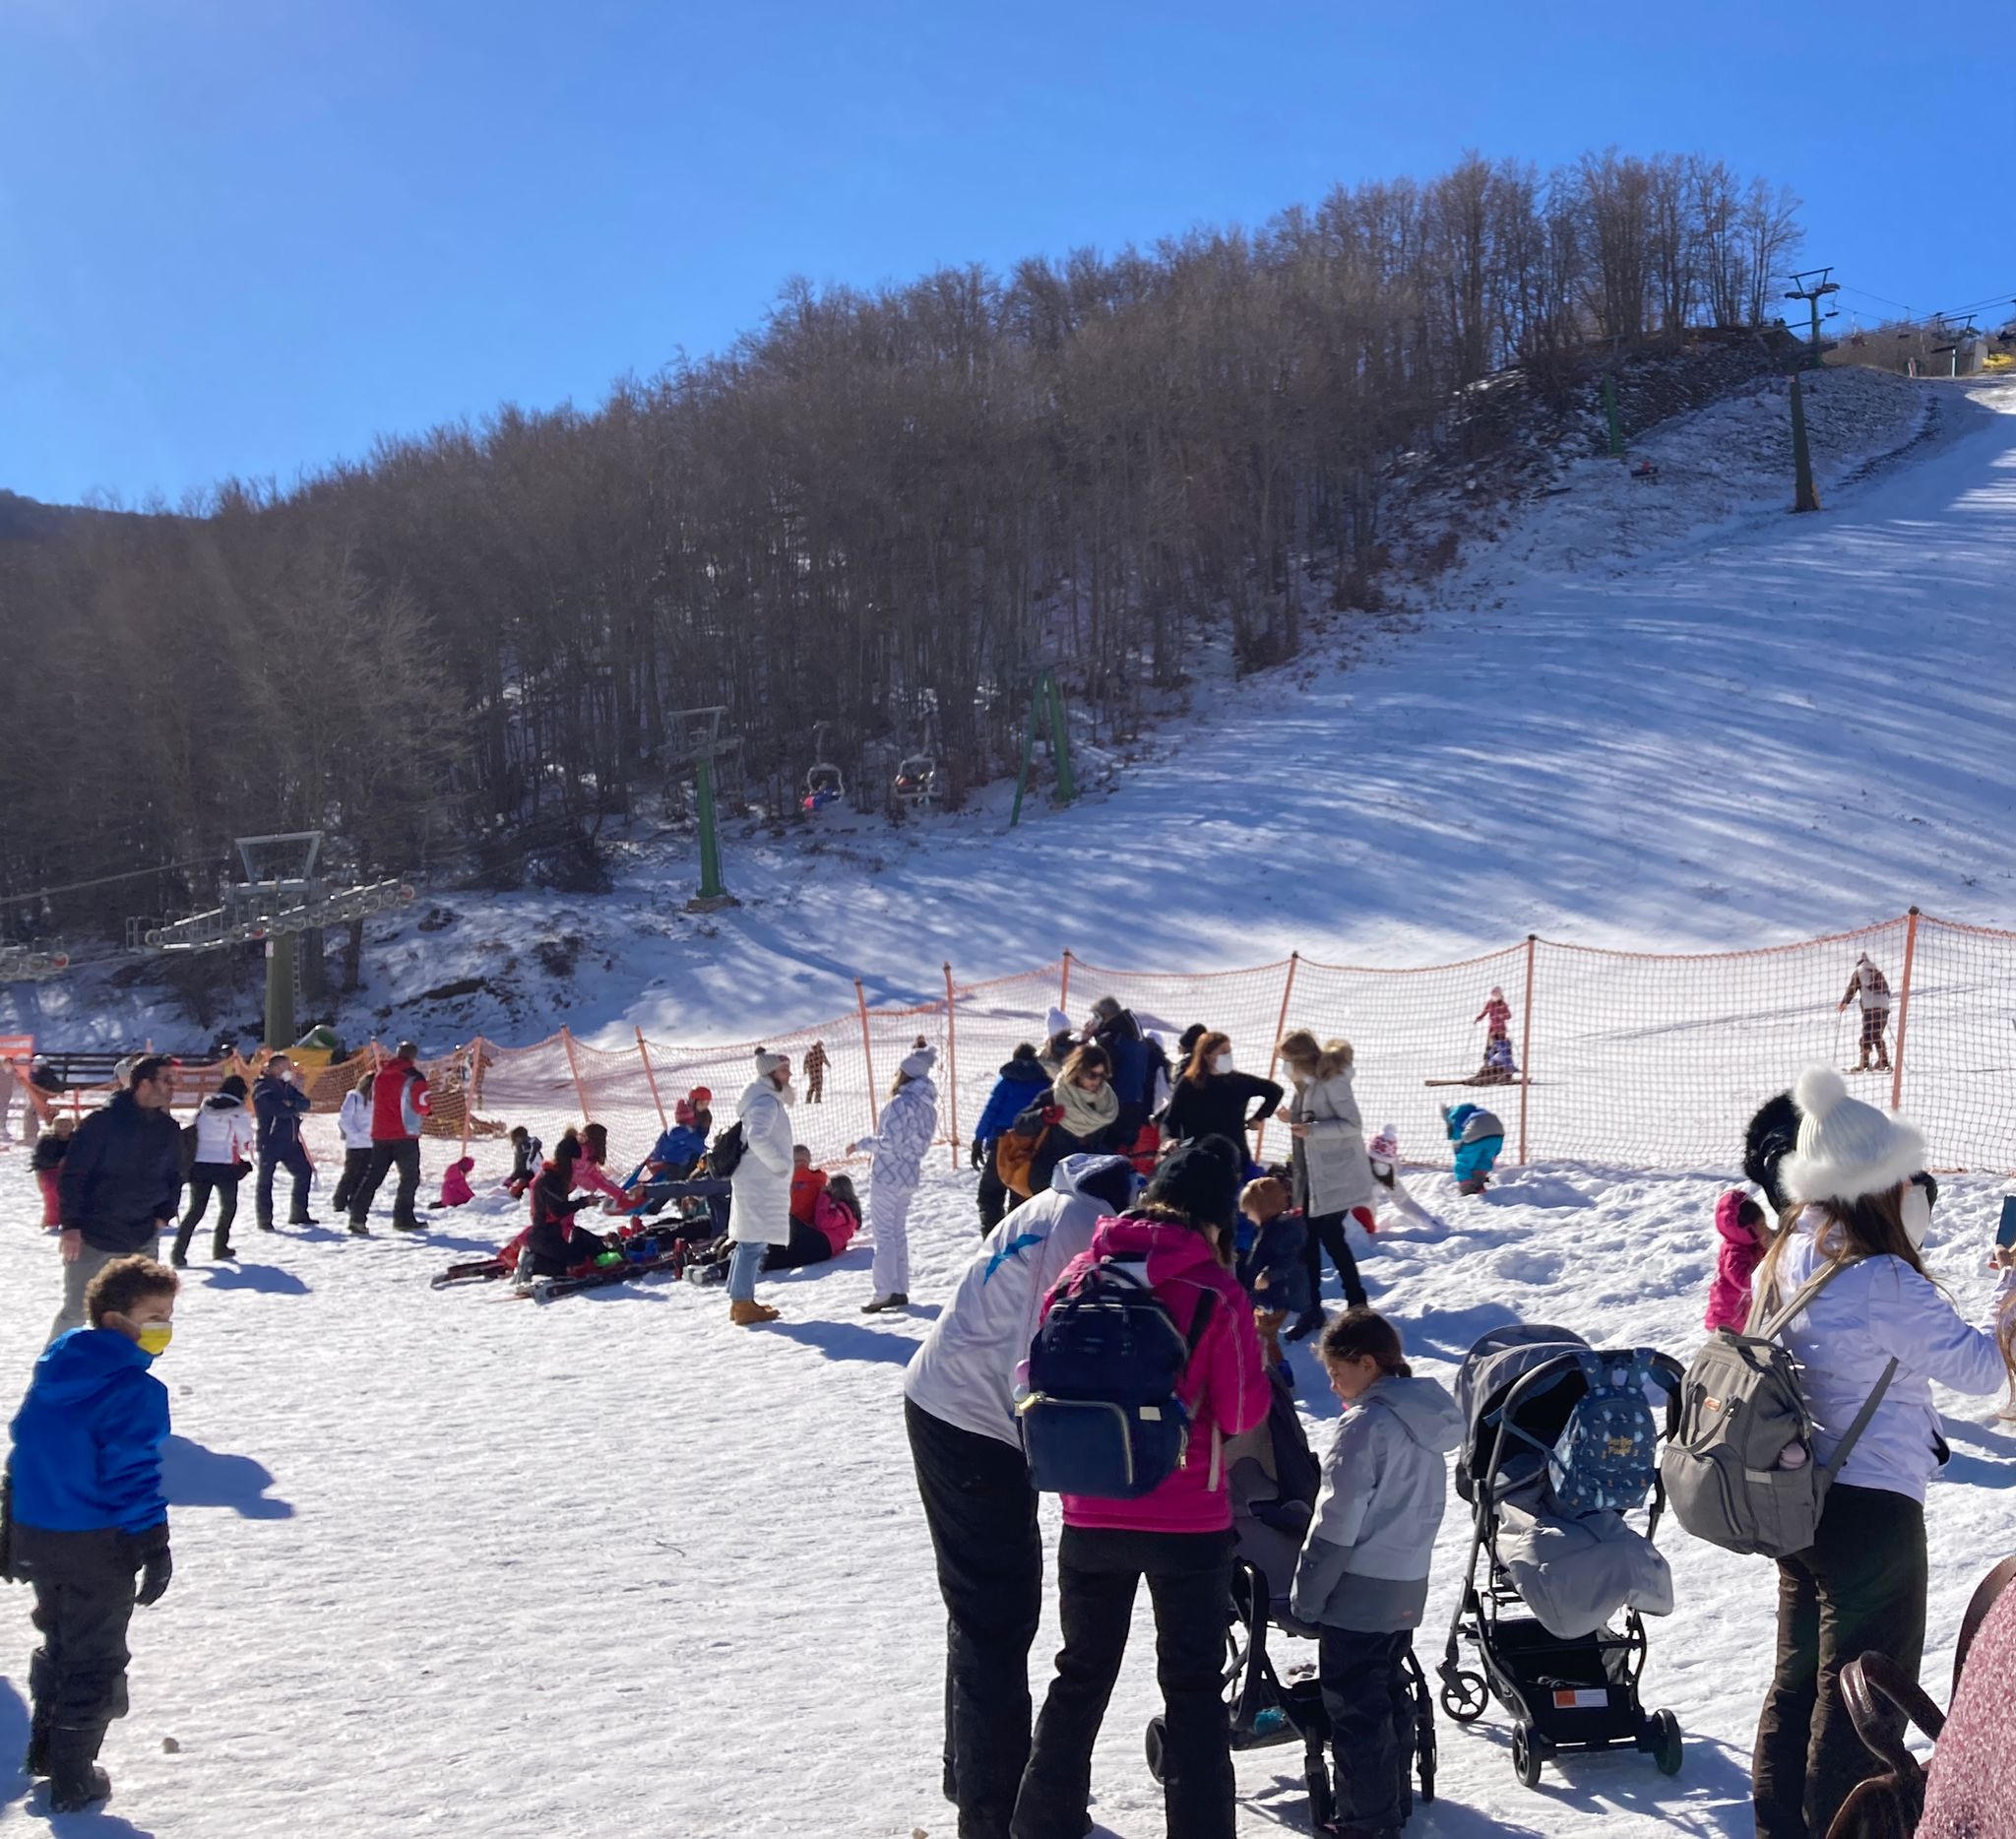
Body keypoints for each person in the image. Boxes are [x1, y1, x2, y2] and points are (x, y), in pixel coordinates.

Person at [1747, 1067, 2016, 1839]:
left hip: (1798, 1500)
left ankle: (1778, 1825)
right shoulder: (1880, 1278)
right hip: (1874, 1512)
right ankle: (1846, 1825)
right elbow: (1986, 1369)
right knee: (1860, 1687)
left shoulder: (1786, 1257)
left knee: (1797, 1678)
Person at [1012, 1135, 1268, 1839]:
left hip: (1090, 1511)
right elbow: (1244, 1412)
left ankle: (1042, 1823)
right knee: (1191, 1689)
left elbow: (1033, 1375)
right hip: (1187, 1521)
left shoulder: (1081, 1270)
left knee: (1080, 1673)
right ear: (1215, 1216)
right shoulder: (1214, 1289)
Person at [903, 1153, 1138, 1839]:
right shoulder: (1080, 1224)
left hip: (953, 1405)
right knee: (997, 1615)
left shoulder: (1047, 1209)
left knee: (984, 1611)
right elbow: (1042, 1351)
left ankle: (972, 1774)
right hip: (970, 1421)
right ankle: (991, 1809)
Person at [3, 1253, 179, 1812]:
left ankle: (47, 1750)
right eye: (153, 1315)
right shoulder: (135, 1391)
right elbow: (130, 1471)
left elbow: (27, 1446)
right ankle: (74, 1778)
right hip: (94, 1541)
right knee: (96, 1657)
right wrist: (152, 1538)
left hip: (39, 1534)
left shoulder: (57, 1368)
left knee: (59, 1639)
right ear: (112, 1320)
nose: (164, 1328)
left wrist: (11, 1518)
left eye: (169, 1315)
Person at [1292, 1309, 1462, 1839]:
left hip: (1359, 1583)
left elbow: (1338, 1520)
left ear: (1367, 1364)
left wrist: (1308, 1594)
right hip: (1408, 1579)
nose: (1332, 1383)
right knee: (1388, 1689)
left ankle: (1366, 1820)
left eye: (1338, 1371)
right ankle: (1394, 1802)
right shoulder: (1424, 1421)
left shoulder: (1366, 1423)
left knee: (1354, 1705)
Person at [50, 1056, 181, 1345]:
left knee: (142, 1315)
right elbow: (73, 1176)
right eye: (167, 1080)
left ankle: (127, 1375)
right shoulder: (101, 1123)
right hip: (94, 1235)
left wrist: (165, 1212)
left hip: (143, 1236)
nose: (174, 1087)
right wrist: (70, 1225)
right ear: (144, 1083)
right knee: (76, 1312)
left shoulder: (169, 1129)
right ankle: (54, 1375)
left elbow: (174, 1174)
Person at [1277, 1030, 1373, 1339]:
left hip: (1333, 1178)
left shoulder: (1332, 1081)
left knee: (1332, 1239)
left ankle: (1356, 1304)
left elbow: (1352, 1124)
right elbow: (1309, 1117)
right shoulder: (1302, 1085)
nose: (1285, 1067)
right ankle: (1312, 1307)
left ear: (1300, 1059)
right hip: (1310, 1177)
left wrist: (1313, 1130)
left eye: (1287, 1061)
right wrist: (1291, 1117)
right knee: (1308, 1244)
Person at [853, 1043, 940, 1312]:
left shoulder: (900, 1104)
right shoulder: (929, 1107)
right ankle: (900, 1288)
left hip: (887, 1175)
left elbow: (889, 1142)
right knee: (898, 1233)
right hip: (909, 1175)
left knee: (884, 1235)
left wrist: (861, 1144)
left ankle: (883, 1291)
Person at [725, 1048, 795, 1325]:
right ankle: (742, 1303)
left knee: (749, 1240)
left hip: (757, 1180)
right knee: (753, 1243)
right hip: (759, 1181)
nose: (789, 1075)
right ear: (770, 1074)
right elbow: (757, 1137)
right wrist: (779, 1165)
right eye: (783, 1070)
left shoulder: (764, 1099)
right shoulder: (765, 1102)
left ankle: (740, 1300)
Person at [1009, 1044, 1125, 1201]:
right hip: (1049, 1181)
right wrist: (1042, 1116)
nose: (1097, 1081)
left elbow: (1110, 1140)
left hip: (1086, 1181)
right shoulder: (1055, 1096)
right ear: (1078, 1071)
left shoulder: (1107, 1102)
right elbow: (1020, 1124)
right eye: (1092, 1075)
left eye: (1102, 1075)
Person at [347, 1041, 430, 1236]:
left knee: (373, 1177)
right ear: (413, 1056)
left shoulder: (381, 1074)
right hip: (405, 1133)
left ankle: (357, 1217)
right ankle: (403, 1218)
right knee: (409, 1178)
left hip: (380, 1133)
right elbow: (422, 1104)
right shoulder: (414, 1076)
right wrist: (427, 1111)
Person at [172, 1074, 256, 1266]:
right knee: (228, 1207)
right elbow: (245, 1141)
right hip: (225, 1165)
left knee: (195, 1210)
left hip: (200, 1164)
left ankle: (178, 1251)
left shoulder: (205, 1107)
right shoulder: (239, 1112)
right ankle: (220, 1246)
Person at [972, 1043, 1052, 1233]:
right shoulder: (1046, 1082)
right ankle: (1014, 1241)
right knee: (1021, 1195)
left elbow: (991, 1110)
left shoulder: (1006, 1080)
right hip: (1030, 1146)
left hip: (1001, 1143)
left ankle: (991, 1238)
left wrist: (978, 1139)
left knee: (990, 1195)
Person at [1160, 1030, 1283, 1153]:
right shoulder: (1189, 1083)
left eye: (1229, 1051)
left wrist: (1258, 1117)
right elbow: (1170, 1120)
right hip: (1197, 1153)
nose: (1228, 1055)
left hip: (1234, 1154)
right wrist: (1168, 1139)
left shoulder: (1239, 1081)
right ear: (1207, 1056)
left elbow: (1274, 1091)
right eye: (1223, 1052)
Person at [1235, 1175, 1310, 1369]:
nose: (1248, 1217)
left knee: (1264, 1336)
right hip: (1268, 1295)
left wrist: (1269, 1275)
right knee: (1260, 1333)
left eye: (1249, 1212)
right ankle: (1268, 1367)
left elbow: (1288, 1259)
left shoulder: (1283, 1231)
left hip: (1278, 1295)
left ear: (1261, 1210)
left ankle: (1278, 1372)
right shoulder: (1271, 1228)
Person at [522, 1132, 615, 1278]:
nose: (577, 1166)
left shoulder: (556, 1176)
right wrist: (583, 1202)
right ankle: (534, 1262)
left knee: (578, 1249)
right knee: (573, 1264)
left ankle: (602, 1245)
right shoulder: (550, 1179)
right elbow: (558, 1210)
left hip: (551, 1234)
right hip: (543, 1237)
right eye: (575, 1162)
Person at [1085, 994, 1167, 1143]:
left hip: (1114, 1106)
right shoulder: (1134, 1037)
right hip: (1136, 1105)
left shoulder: (1111, 1040)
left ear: (1101, 1017)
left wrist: (1089, 1039)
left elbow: (1102, 1073)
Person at [253, 1054, 316, 1232]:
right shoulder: (262, 1087)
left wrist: (292, 1104)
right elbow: (276, 1110)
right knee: (265, 1181)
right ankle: (265, 1220)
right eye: (285, 1066)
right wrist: (291, 1107)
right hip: (270, 1141)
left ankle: (299, 1214)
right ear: (274, 1068)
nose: (288, 1070)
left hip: (291, 1140)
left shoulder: (287, 1087)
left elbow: (305, 1103)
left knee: (304, 1172)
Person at [765, 1172, 862, 1272]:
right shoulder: (847, 1212)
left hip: (824, 1243)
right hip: (823, 1246)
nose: (828, 1189)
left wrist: (824, 1196)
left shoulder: (845, 1211)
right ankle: (766, 1256)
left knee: (791, 1222)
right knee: (788, 1254)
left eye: (830, 1187)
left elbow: (822, 1222)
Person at [1705, 1189, 1772, 1333]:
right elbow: (1744, 1282)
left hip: (1740, 1313)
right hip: (1727, 1318)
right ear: (1747, 1229)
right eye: (1761, 1225)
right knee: (1731, 1353)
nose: (1766, 1228)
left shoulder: (1751, 1244)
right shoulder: (1734, 1253)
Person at [1838, 952, 1894, 1073]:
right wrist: (1883, 1005)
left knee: (1867, 1035)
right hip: (1884, 1008)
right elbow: (1887, 992)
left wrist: (1844, 1003)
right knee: (1877, 1034)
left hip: (1870, 1008)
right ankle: (1883, 1062)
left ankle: (1864, 1063)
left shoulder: (1859, 971)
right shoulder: (1877, 972)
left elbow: (1852, 989)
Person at [332, 1072, 376, 1215]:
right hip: (356, 1143)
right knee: (351, 1172)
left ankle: (355, 1200)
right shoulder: (354, 1097)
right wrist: (355, 1134)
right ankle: (340, 1200)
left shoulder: (378, 1099)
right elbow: (345, 1118)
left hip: (372, 1142)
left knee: (364, 1174)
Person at [1443, 1101, 1505, 1196]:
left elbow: (1457, 1140)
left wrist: (1459, 1153)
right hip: (1497, 1133)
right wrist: (1495, 1153)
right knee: (1483, 1160)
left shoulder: (1454, 1117)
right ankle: (1479, 1184)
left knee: (1464, 1162)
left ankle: (1466, 1188)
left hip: (1476, 1131)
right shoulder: (1477, 1111)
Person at [32, 1116, 74, 1228]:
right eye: (60, 1126)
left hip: (73, 1172)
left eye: (66, 1126)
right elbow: (38, 1159)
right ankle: (52, 1220)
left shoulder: (77, 1140)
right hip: (50, 1171)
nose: (63, 1129)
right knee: (53, 1189)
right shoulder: (47, 1141)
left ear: (72, 1126)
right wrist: (57, 1162)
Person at [789, 1144, 828, 1230]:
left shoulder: (785, 1180)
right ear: (809, 1160)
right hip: (813, 1227)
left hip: (791, 1226)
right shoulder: (820, 1179)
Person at [504, 1124, 542, 1200]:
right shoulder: (532, 1145)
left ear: (517, 1138)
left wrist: (513, 1178)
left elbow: (522, 1169)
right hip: (538, 1176)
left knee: (510, 1186)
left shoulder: (522, 1149)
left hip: (530, 1178)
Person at [802, 1040, 829, 1106]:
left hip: (815, 1071)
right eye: (820, 1046)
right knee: (814, 1085)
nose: (821, 1047)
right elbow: (806, 1061)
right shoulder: (812, 1052)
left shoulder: (814, 1052)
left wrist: (828, 1064)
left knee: (817, 1085)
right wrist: (805, 1069)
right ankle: (811, 1100)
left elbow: (824, 1059)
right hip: (815, 1071)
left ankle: (815, 1100)